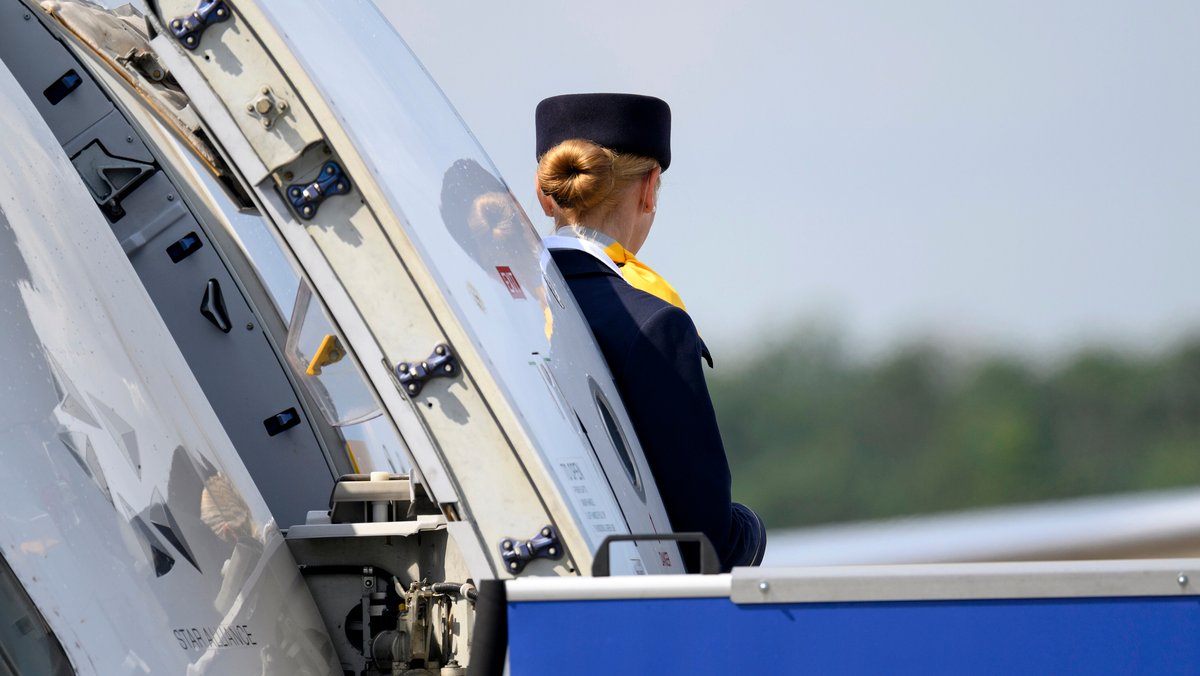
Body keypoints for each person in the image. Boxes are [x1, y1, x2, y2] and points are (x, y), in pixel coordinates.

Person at [535, 93, 766, 571]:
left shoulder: (493, 306)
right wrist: (752, 531)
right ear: (649, 188)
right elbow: (706, 544)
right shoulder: (653, 323)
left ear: (544, 194)